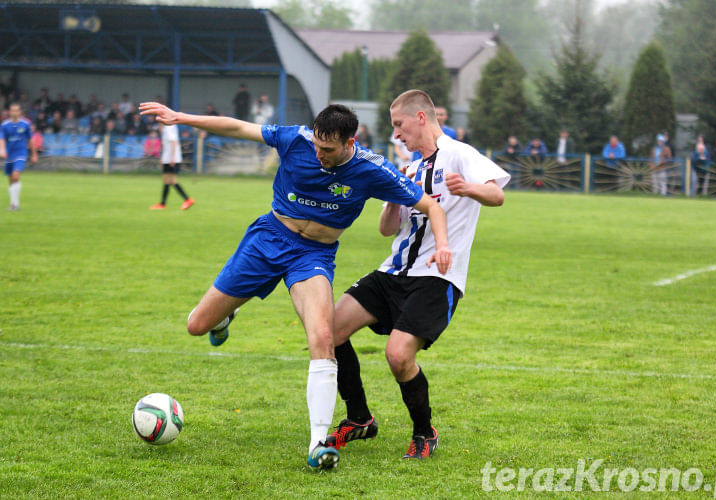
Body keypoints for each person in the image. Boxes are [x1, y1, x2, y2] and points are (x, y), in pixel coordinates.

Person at [139, 100, 452, 469]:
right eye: (317, 145)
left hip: (314, 256)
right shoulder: (297, 139)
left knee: (323, 337)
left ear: (350, 143)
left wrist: (443, 244)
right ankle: (224, 317)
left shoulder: (372, 169)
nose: (319, 153)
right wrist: (182, 116)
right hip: (268, 239)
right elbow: (239, 127)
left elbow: (431, 206)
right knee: (197, 325)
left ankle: (318, 444)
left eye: (329, 149)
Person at [324, 89, 510, 460]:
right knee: (329, 330)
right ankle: (359, 418)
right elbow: (386, 229)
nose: (396, 134)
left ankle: (424, 431)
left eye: (399, 125)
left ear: (420, 118)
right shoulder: (407, 168)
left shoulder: (460, 154)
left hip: (437, 277)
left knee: (398, 356)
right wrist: (392, 197)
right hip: (392, 272)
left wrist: (468, 188)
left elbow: (497, 196)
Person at [1, 103, 37, 211]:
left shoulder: (25, 125)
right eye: (12, 111)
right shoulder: (4, 125)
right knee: (12, 181)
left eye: (16, 110)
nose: (14, 113)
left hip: (21, 154)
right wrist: (2, 149)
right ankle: (15, 203)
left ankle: (13, 204)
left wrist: (34, 154)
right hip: (9, 155)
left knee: (16, 176)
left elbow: (30, 140)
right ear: (9, 112)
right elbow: (2, 139)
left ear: (20, 112)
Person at [149, 124, 194, 211]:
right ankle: (164, 203)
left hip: (170, 159)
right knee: (169, 181)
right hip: (168, 158)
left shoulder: (168, 127)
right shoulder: (169, 127)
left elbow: (173, 142)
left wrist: (172, 157)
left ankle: (186, 200)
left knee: (170, 180)